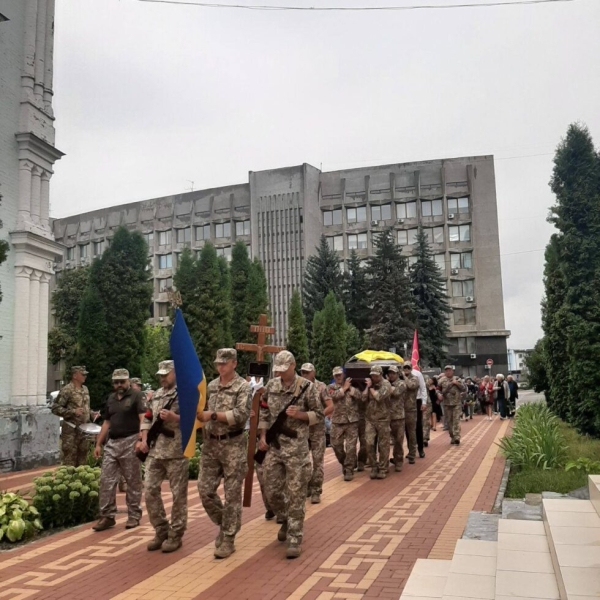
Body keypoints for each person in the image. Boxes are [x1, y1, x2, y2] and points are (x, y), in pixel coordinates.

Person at [258, 350, 323, 559]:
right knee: (271, 489)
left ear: (293, 366)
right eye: (278, 370)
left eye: (284, 370)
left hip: (296, 448)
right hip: (275, 447)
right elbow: (265, 411)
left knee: (296, 493)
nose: (280, 374)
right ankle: (285, 518)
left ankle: (295, 536)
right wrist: (262, 436)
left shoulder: (307, 387)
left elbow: (320, 414)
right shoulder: (272, 386)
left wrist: (301, 415)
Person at [198, 349, 251, 559]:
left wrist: (212, 415)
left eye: (224, 363)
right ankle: (225, 522)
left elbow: (240, 415)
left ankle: (228, 538)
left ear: (234, 364)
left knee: (232, 495)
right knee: (204, 490)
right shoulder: (211, 386)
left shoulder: (242, 387)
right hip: (211, 446)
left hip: (233, 445)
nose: (220, 367)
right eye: (218, 363)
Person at [139, 360, 189, 553]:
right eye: (160, 375)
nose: (162, 378)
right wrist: (144, 439)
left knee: (178, 495)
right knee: (150, 489)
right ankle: (161, 529)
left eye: (165, 374)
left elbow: (193, 418)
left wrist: (174, 418)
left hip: (176, 451)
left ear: (175, 373)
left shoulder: (183, 393)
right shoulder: (157, 394)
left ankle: (176, 534)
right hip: (155, 450)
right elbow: (148, 417)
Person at [92, 369, 146, 532]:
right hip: (112, 442)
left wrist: (141, 439)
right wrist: (98, 444)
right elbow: (107, 422)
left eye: (122, 381)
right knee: (106, 480)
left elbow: (143, 417)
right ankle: (107, 516)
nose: (119, 385)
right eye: (116, 382)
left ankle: (134, 515)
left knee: (132, 480)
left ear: (128, 381)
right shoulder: (111, 399)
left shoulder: (136, 396)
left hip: (130, 441)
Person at [51, 366, 97, 467]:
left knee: (83, 461)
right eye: (82, 374)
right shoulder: (67, 390)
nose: (85, 376)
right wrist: (72, 412)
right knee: (70, 461)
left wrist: (91, 413)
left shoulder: (85, 389)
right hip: (71, 432)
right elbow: (55, 408)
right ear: (75, 376)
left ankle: (82, 482)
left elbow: (85, 407)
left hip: (84, 431)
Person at [327, 366, 361, 481]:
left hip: (352, 421)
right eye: (336, 375)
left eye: (340, 375)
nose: (338, 377)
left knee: (351, 447)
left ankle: (349, 469)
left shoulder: (352, 386)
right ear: (333, 376)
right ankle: (345, 462)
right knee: (336, 446)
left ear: (343, 375)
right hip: (337, 421)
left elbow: (360, 397)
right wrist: (344, 388)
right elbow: (334, 396)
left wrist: (351, 390)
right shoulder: (331, 387)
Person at [362, 365, 392, 480]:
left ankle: (383, 468)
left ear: (380, 374)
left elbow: (379, 397)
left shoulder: (386, 385)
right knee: (369, 443)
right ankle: (374, 466)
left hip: (383, 419)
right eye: (372, 375)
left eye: (375, 375)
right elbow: (364, 398)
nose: (373, 377)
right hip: (370, 419)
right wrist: (367, 387)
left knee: (383, 445)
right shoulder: (371, 385)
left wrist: (371, 388)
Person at [388, 365, 416, 472]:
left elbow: (395, 393)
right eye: (390, 373)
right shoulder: (386, 383)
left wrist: (385, 385)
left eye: (393, 373)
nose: (391, 375)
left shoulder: (402, 383)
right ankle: (384, 462)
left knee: (398, 441)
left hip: (398, 417)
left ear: (397, 374)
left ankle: (398, 461)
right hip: (386, 417)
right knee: (385, 442)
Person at [438, 365, 466, 445]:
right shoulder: (441, 380)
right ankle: (452, 436)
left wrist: (457, 383)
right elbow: (438, 389)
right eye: (446, 370)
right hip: (447, 404)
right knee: (449, 422)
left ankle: (457, 437)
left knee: (456, 420)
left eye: (449, 370)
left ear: (452, 371)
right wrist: (438, 394)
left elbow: (464, 388)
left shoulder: (457, 379)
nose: (448, 372)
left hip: (456, 403)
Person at [403, 363, 421, 464]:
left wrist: (403, 377)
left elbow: (411, 386)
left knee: (411, 433)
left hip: (411, 410)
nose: (406, 369)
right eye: (404, 368)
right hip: (400, 410)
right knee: (400, 434)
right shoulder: (400, 379)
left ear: (411, 369)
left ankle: (412, 454)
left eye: (408, 368)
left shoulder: (414, 378)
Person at [412, 366, 428, 457]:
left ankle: (420, 449)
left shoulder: (417, 373)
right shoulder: (401, 374)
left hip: (417, 401)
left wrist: (424, 402)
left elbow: (423, 388)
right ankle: (411, 450)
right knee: (408, 428)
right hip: (406, 403)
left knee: (418, 426)